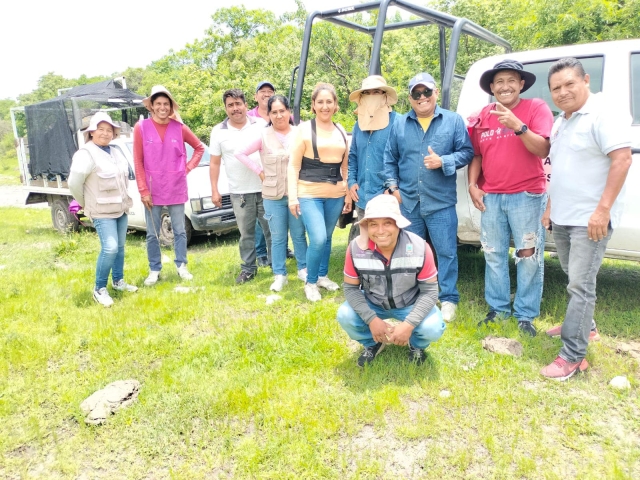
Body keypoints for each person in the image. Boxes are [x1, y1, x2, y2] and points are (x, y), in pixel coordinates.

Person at [540, 57, 633, 380]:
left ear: (586, 81)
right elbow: (560, 168)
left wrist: (603, 210)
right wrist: (551, 207)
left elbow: (621, 160)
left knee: (581, 285)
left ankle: (573, 356)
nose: (563, 92)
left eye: (569, 84)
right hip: (564, 216)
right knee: (572, 276)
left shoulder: (603, 114)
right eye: (556, 88)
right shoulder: (561, 121)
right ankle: (586, 327)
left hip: (590, 219)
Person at [467, 60, 554, 336]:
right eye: (499, 82)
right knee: (493, 254)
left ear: (521, 84)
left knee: (528, 255)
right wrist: (472, 184)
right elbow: (477, 154)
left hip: (526, 195)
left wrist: (518, 126)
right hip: (491, 196)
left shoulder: (535, 108)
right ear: (492, 88)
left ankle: (526, 315)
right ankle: (498, 310)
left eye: (511, 80)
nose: (505, 86)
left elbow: (543, 149)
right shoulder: (484, 113)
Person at [383, 72, 474, 321]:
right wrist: (394, 189)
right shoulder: (399, 124)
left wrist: (443, 161)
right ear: (410, 97)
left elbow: (467, 152)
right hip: (409, 202)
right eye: (416, 93)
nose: (422, 97)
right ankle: (414, 298)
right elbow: (389, 159)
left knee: (446, 252)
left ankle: (448, 299)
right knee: (409, 254)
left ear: (435, 93)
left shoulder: (453, 121)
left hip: (441, 202)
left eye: (426, 92)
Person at [337, 194, 445, 366]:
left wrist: (408, 325)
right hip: (374, 302)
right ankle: (373, 343)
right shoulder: (355, 248)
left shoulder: (419, 247)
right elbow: (350, 289)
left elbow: (430, 292)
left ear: (398, 224)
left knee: (433, 327)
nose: (380, 231)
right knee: (345, 315)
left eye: (387, 223)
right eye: (373, 224)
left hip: (410, 303)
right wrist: (371, 319)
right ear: (366, 226)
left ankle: (416, 346)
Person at [235, 95, 308, 291]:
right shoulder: (263, 135)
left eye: (282, 111)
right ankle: (279, 274)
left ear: (288, 112)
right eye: (273, 112)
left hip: (296, 194)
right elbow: (239, 153)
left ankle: (303, 269)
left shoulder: (299, 133)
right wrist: (259, 171)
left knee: (299, 234)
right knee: (277, 237)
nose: (278, 116)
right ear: (269, 114)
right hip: (273, 197)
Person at [134, 85, 204, 286]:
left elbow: (199, 148)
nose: (163, 107)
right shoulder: (141, 128)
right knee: (152, 232)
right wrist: (143, 189)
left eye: (166, 104)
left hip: (176, 186)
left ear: (171, 107)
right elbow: (138, 161)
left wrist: (187, 168)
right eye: (158, 104)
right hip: (151, 188)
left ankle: (182, 265)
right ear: (152, 107)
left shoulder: (179, 128)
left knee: (180, 230)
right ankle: (154, 268)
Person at [289, 82, 351, 302]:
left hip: (335, 194)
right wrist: (293, 197)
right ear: (313, 105)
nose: (325, 106)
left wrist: (347, 194)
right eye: (320, 102)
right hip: (309, 193)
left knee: (327, 238)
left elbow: (345, 166)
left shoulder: (341, 130)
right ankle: (311, 281)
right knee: (318, 238)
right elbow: (293, 165)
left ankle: (323, 276)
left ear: (335, 106)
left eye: (329, 102)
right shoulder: (303, 130)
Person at [68, 112, 137, 307]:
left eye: (109, 130)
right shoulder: (86, 154)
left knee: (121, 248)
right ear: (92, 132)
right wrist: (85, 203)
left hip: (120, 208)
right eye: (101, 129)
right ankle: (99, 288)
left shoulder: (115, 151)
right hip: (101, 211)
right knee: (110, 248)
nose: (105, 134)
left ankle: (118, 281)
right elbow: (74, 184)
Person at [210, 89, 271, 284]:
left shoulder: (261, 125)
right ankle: (248, 269)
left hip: (266, 189)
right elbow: (215, 163)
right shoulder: (218, 131)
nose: (235, 108)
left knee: (273, 230)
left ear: (245, 105)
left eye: (238, 104)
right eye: (230, 105)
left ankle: (278, 267)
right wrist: (214, 189)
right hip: (239, 193)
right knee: (246, 234)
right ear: (226, 108)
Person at [348, 75, 398, 222]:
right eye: (367, 93)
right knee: (365, 243)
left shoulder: (398, 123)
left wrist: (393, 188)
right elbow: (353, 157)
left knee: (389, 242)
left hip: (388, 199)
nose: (371, 96)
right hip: (363, 198)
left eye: (376, 92)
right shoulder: (358, 125)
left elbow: (405, 160)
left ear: (385, 96)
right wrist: (351, 182)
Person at [248, 81, 276, 267]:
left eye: (270, 91)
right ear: (256, 96)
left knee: (274, 214)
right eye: (262, 92)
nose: (266, 94)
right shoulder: (250, 117)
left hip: (276, 174)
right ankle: (260, 253)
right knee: (260, 217)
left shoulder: (278, 112)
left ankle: (278, 249)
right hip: (256, 175)